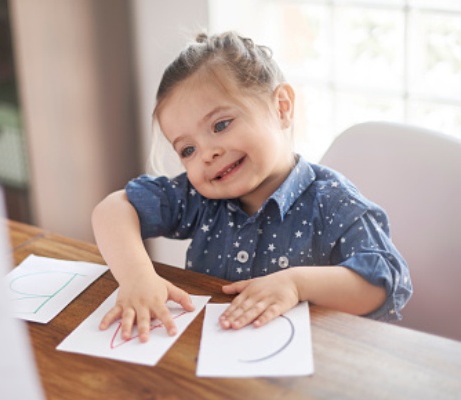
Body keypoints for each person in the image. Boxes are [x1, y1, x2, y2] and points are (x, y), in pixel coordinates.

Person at [92, 31, 412, 343]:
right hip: (211, 357)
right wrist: (137, 278)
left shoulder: (333, 203)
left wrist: (297, 284)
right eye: (187, 149)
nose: (207, 154)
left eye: (221, 125)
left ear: (282, 107)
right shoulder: (200, 196)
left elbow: (384, 282)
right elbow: (112, 209)